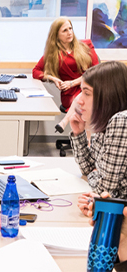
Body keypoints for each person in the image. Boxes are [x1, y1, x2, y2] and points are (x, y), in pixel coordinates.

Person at [70, 61, 127, 200]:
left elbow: (103, 191)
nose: (79, 100)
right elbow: (88, 168)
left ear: (107, 95)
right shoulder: (105, 121)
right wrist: (78, 134)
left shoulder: (121, 120)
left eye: (86, 93)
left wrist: (94, 175)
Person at [32, 17, 99, 133]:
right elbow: (36, 71)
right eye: (64, 30)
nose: (69, 33)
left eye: (70, 29)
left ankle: (65, 121)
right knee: (83, 99)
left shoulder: (86, 45)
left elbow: (96, 71)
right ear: (56, 35)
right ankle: (85, 141)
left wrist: (73, 82)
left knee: (85, 95)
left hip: (90, 87)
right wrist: (52, 78)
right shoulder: (53, 54)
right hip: (69, 93)